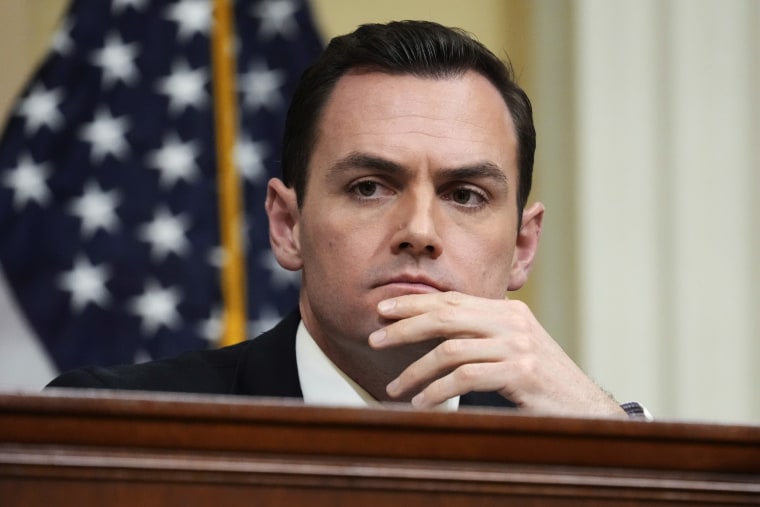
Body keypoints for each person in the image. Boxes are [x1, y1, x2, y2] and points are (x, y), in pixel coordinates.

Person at [49, 20, 645, 419]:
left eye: (464, 195)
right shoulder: (112, 422)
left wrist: (610, 445)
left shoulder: (577, 443)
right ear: (287, 225)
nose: (420, 230)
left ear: (521, 246)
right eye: (369, 187)